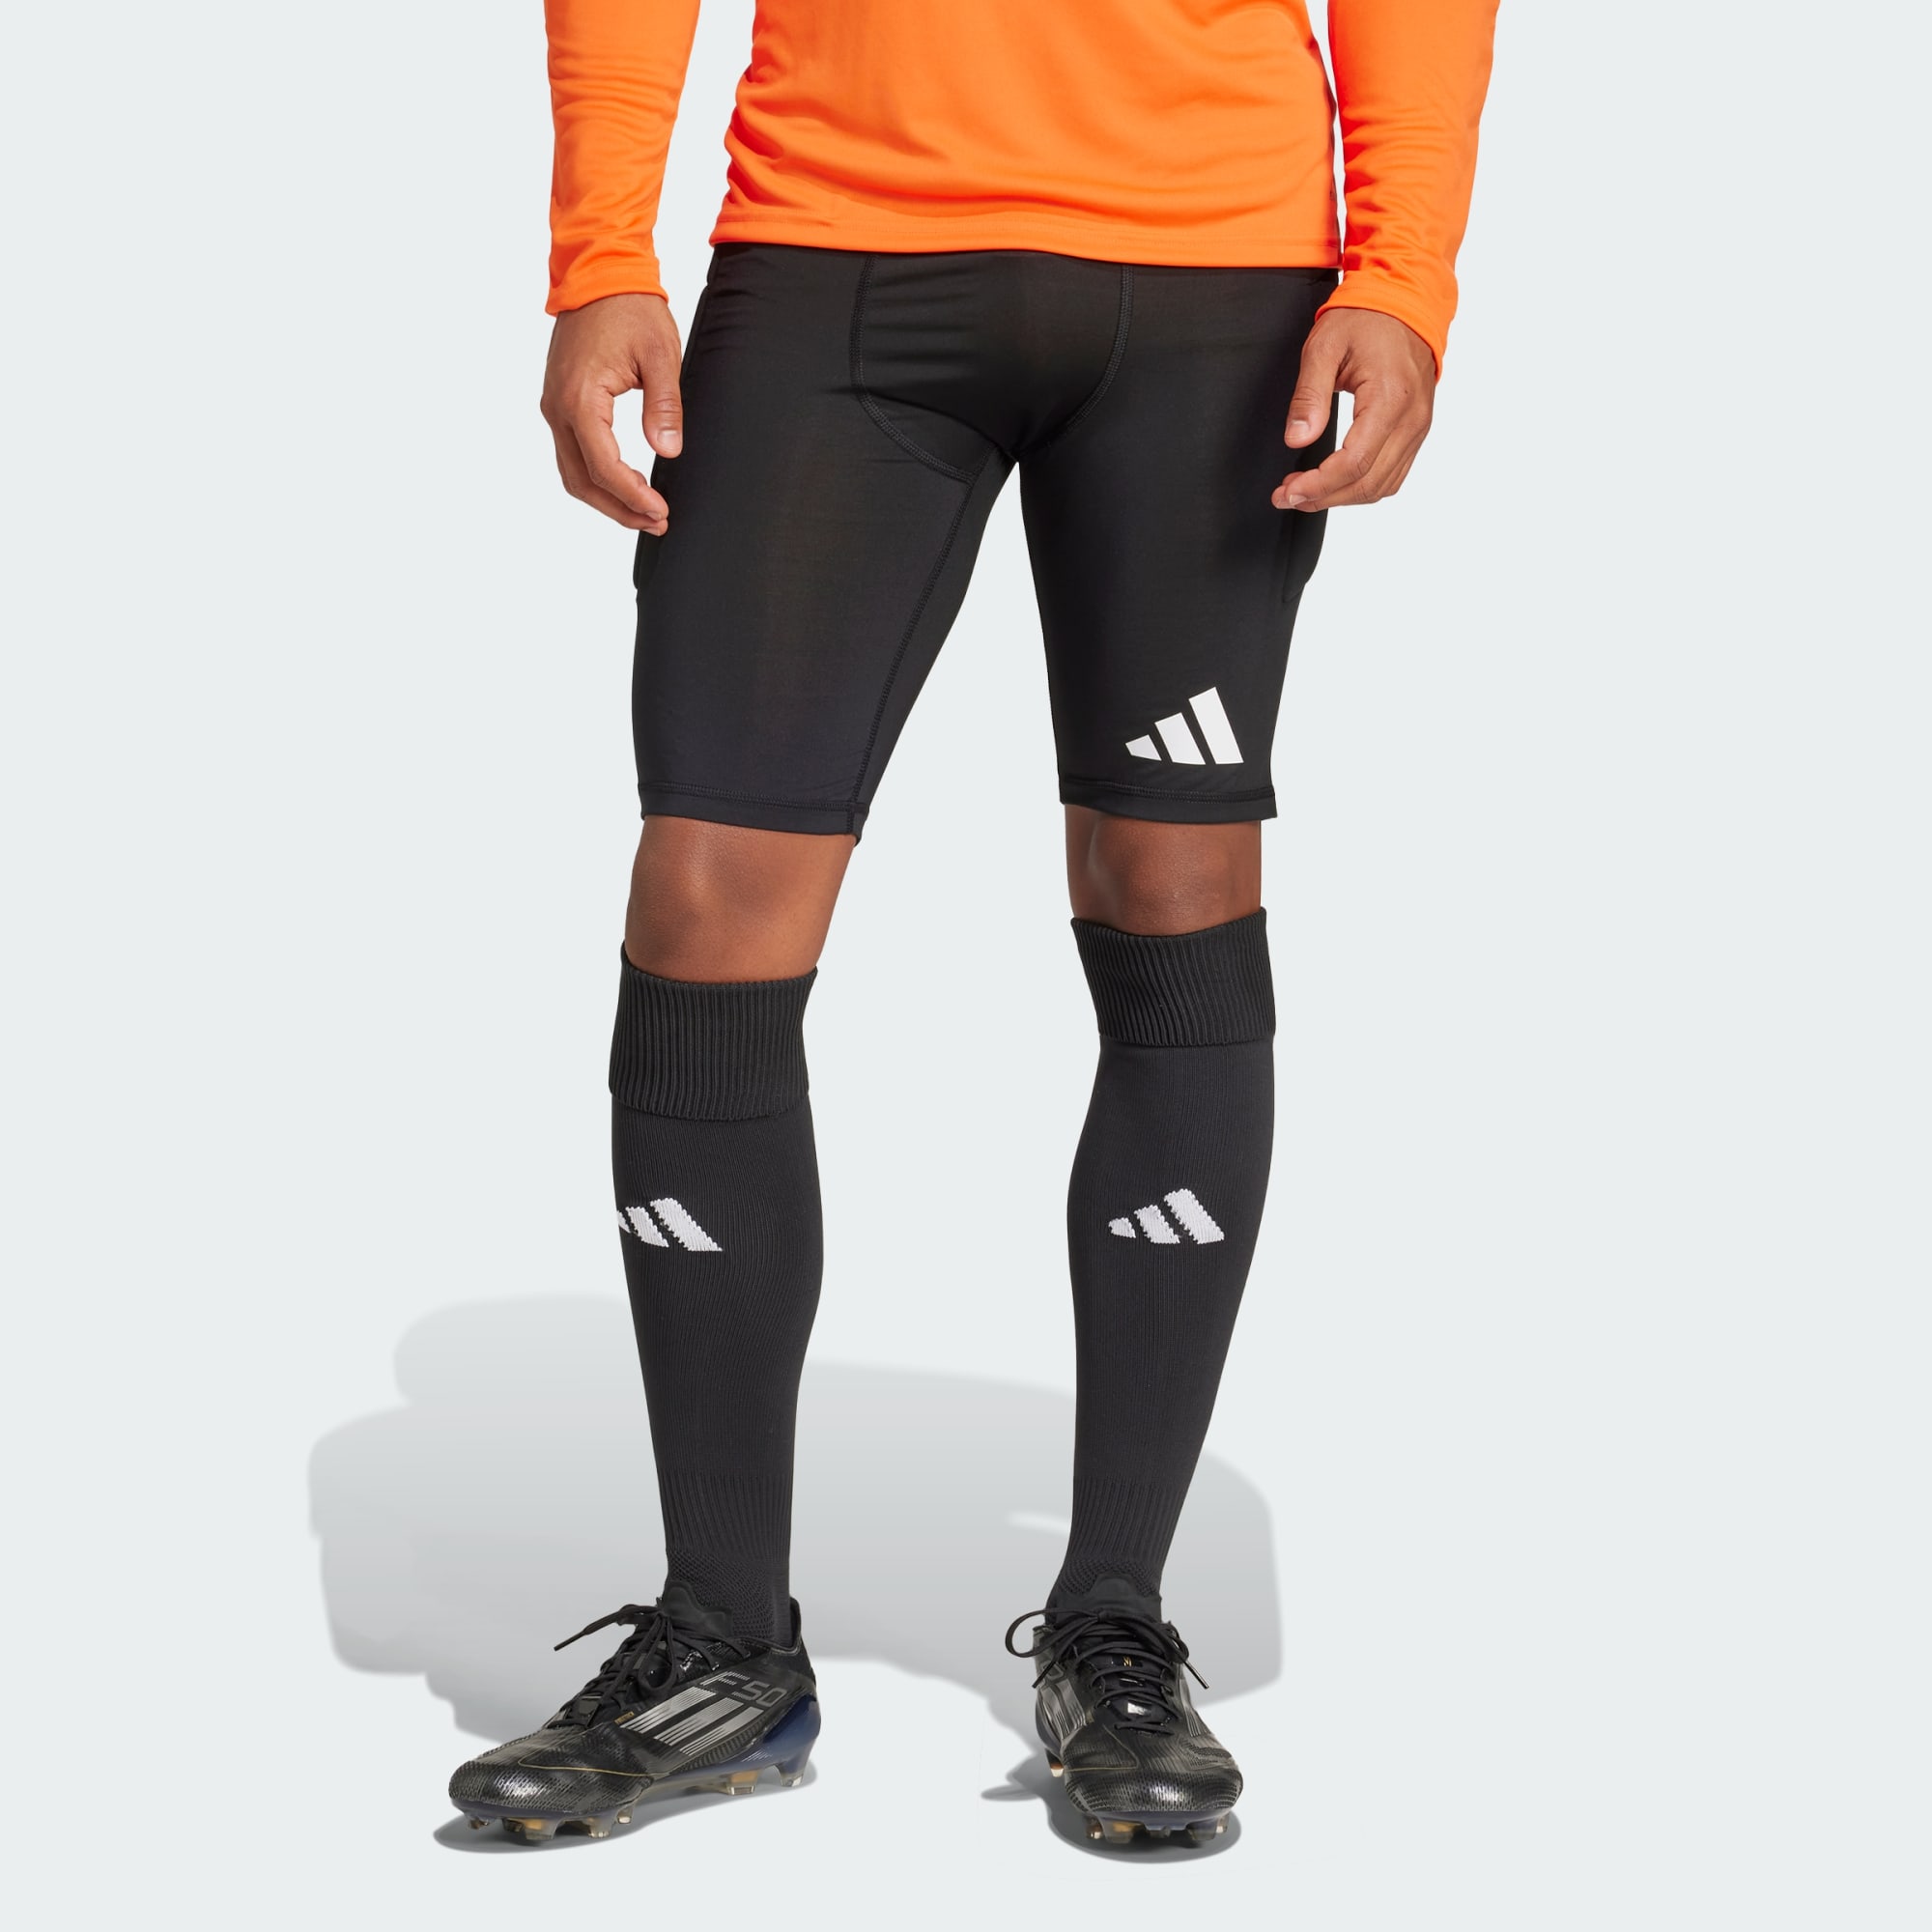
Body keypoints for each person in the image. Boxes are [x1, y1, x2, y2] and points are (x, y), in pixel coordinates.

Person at [449, 0, 1497, 1849]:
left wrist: (1404, 273)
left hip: (1216, 273)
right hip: (833, 255)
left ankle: (1115, 1625)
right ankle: (723, 1643)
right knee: (708, 890)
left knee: (1174, 883)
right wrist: (602, 247)